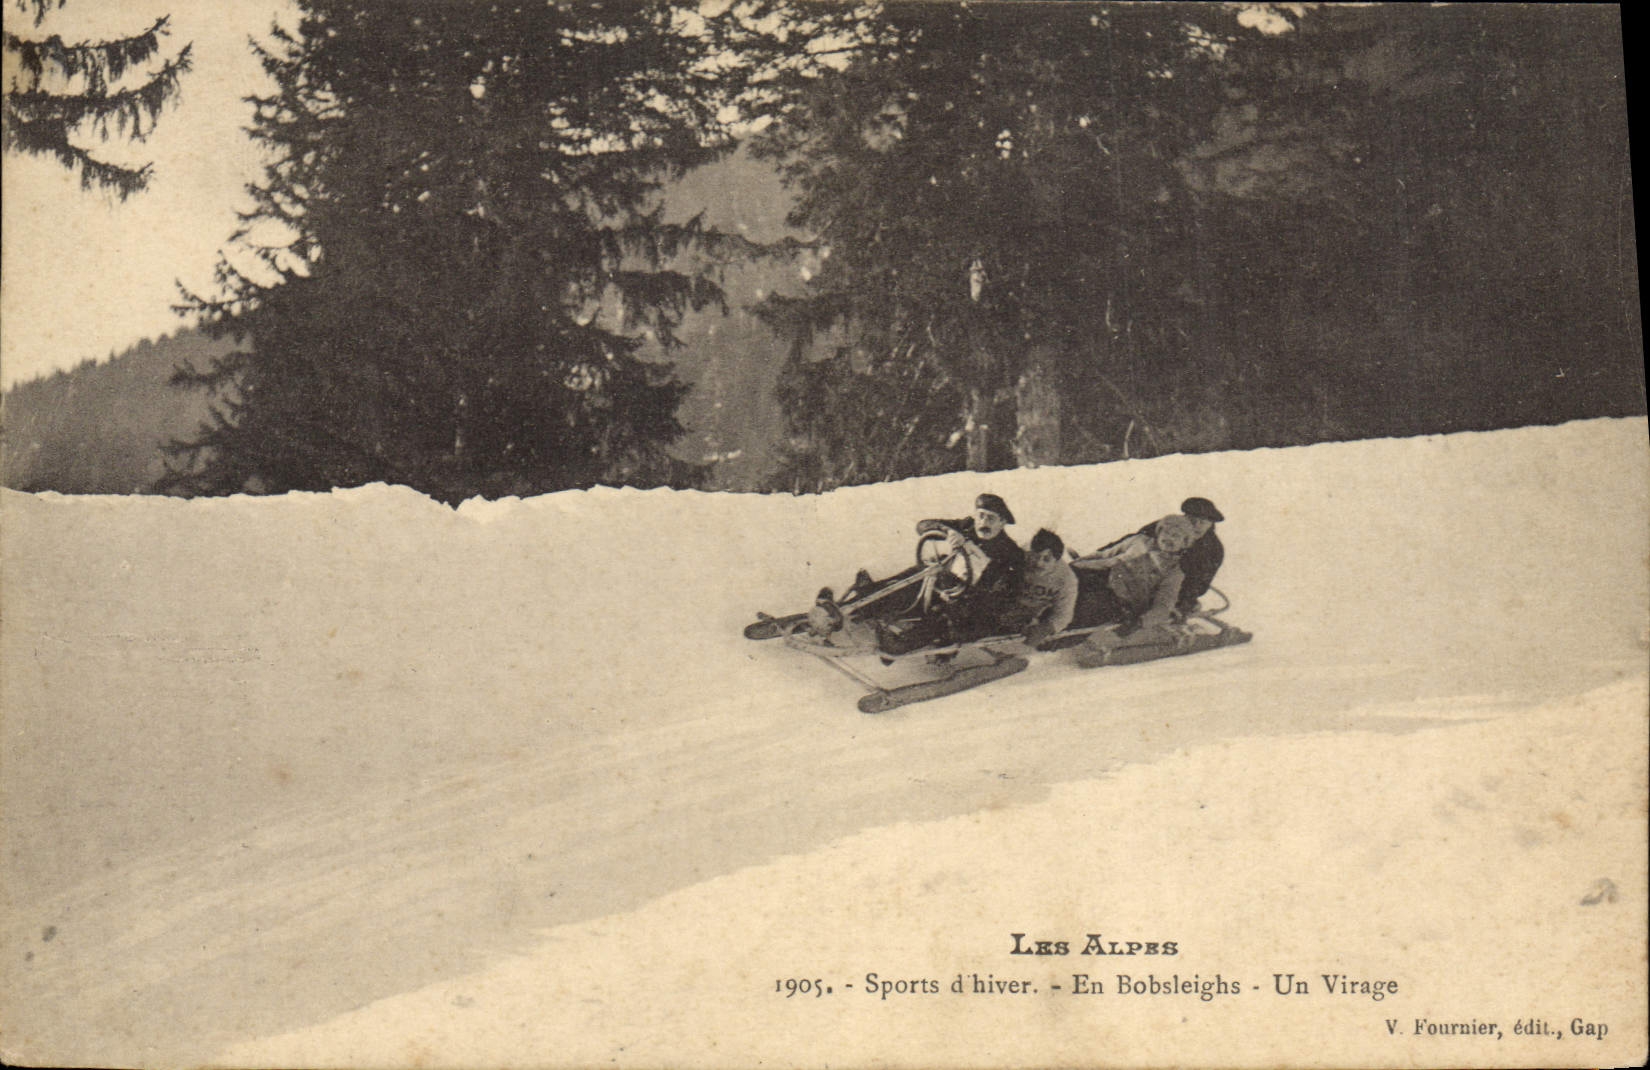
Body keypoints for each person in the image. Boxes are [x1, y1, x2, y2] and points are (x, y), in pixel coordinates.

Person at [866, 493, 1026, 654]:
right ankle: (866, 601)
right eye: (981, 516)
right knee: (922, 572)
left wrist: (962, 595)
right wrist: (948, 531)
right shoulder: (968, 526)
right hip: (946, 585)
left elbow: (1007, 594)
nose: (983, 523)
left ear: (1002, 522)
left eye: (990, 518)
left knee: (944, 619)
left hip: (972, 605)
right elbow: (922, 525)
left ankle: (898, 645)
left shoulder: (1011, 553)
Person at [1090, 496, 1225, 615]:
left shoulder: (1212, 550)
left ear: (1211, 524)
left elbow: (1199, 584)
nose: (1196, 526)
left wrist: (1176, 603)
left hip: (1165, 590)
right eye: (1192, 519)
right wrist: (1101, 553)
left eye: (1202, 522)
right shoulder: (1169, 525)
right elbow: (1133, 540)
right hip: (1131, 572)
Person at [1070, 513, 1200, 633]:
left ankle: (1056, 637)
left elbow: (1163, 605)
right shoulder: (1139, 541)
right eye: (1166, 533)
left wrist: (1140, 622)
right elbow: (1103, 555)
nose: (1168, 539)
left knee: (1087, 607)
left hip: (1120, 600)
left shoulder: (1173, 572)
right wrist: (1077, 564)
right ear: (1159, 533)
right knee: (1069, 582)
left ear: (1184, 543)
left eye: (1175, 536)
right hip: (1101, 577)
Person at [998, 528, 1078, 648]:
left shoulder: (1066, 579)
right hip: (1009, 605)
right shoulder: (1020, 556)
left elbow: (1064, 614)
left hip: (1033, 612)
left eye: (1046, 559)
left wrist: (1045, 629)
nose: (1039, 563)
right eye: (1035, 557)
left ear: (1057, 560)